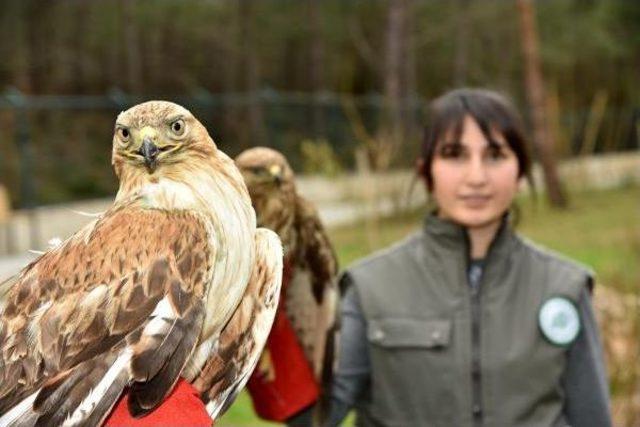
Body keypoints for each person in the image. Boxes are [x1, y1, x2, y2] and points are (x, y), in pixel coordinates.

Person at [327, 88, 611, 426]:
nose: (476, 177)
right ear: (425, 172)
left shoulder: (565, 287)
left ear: (520, 171)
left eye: (495, 155)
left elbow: (592, 418)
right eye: (454, 154)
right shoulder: (369, 287)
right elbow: (317, 414)